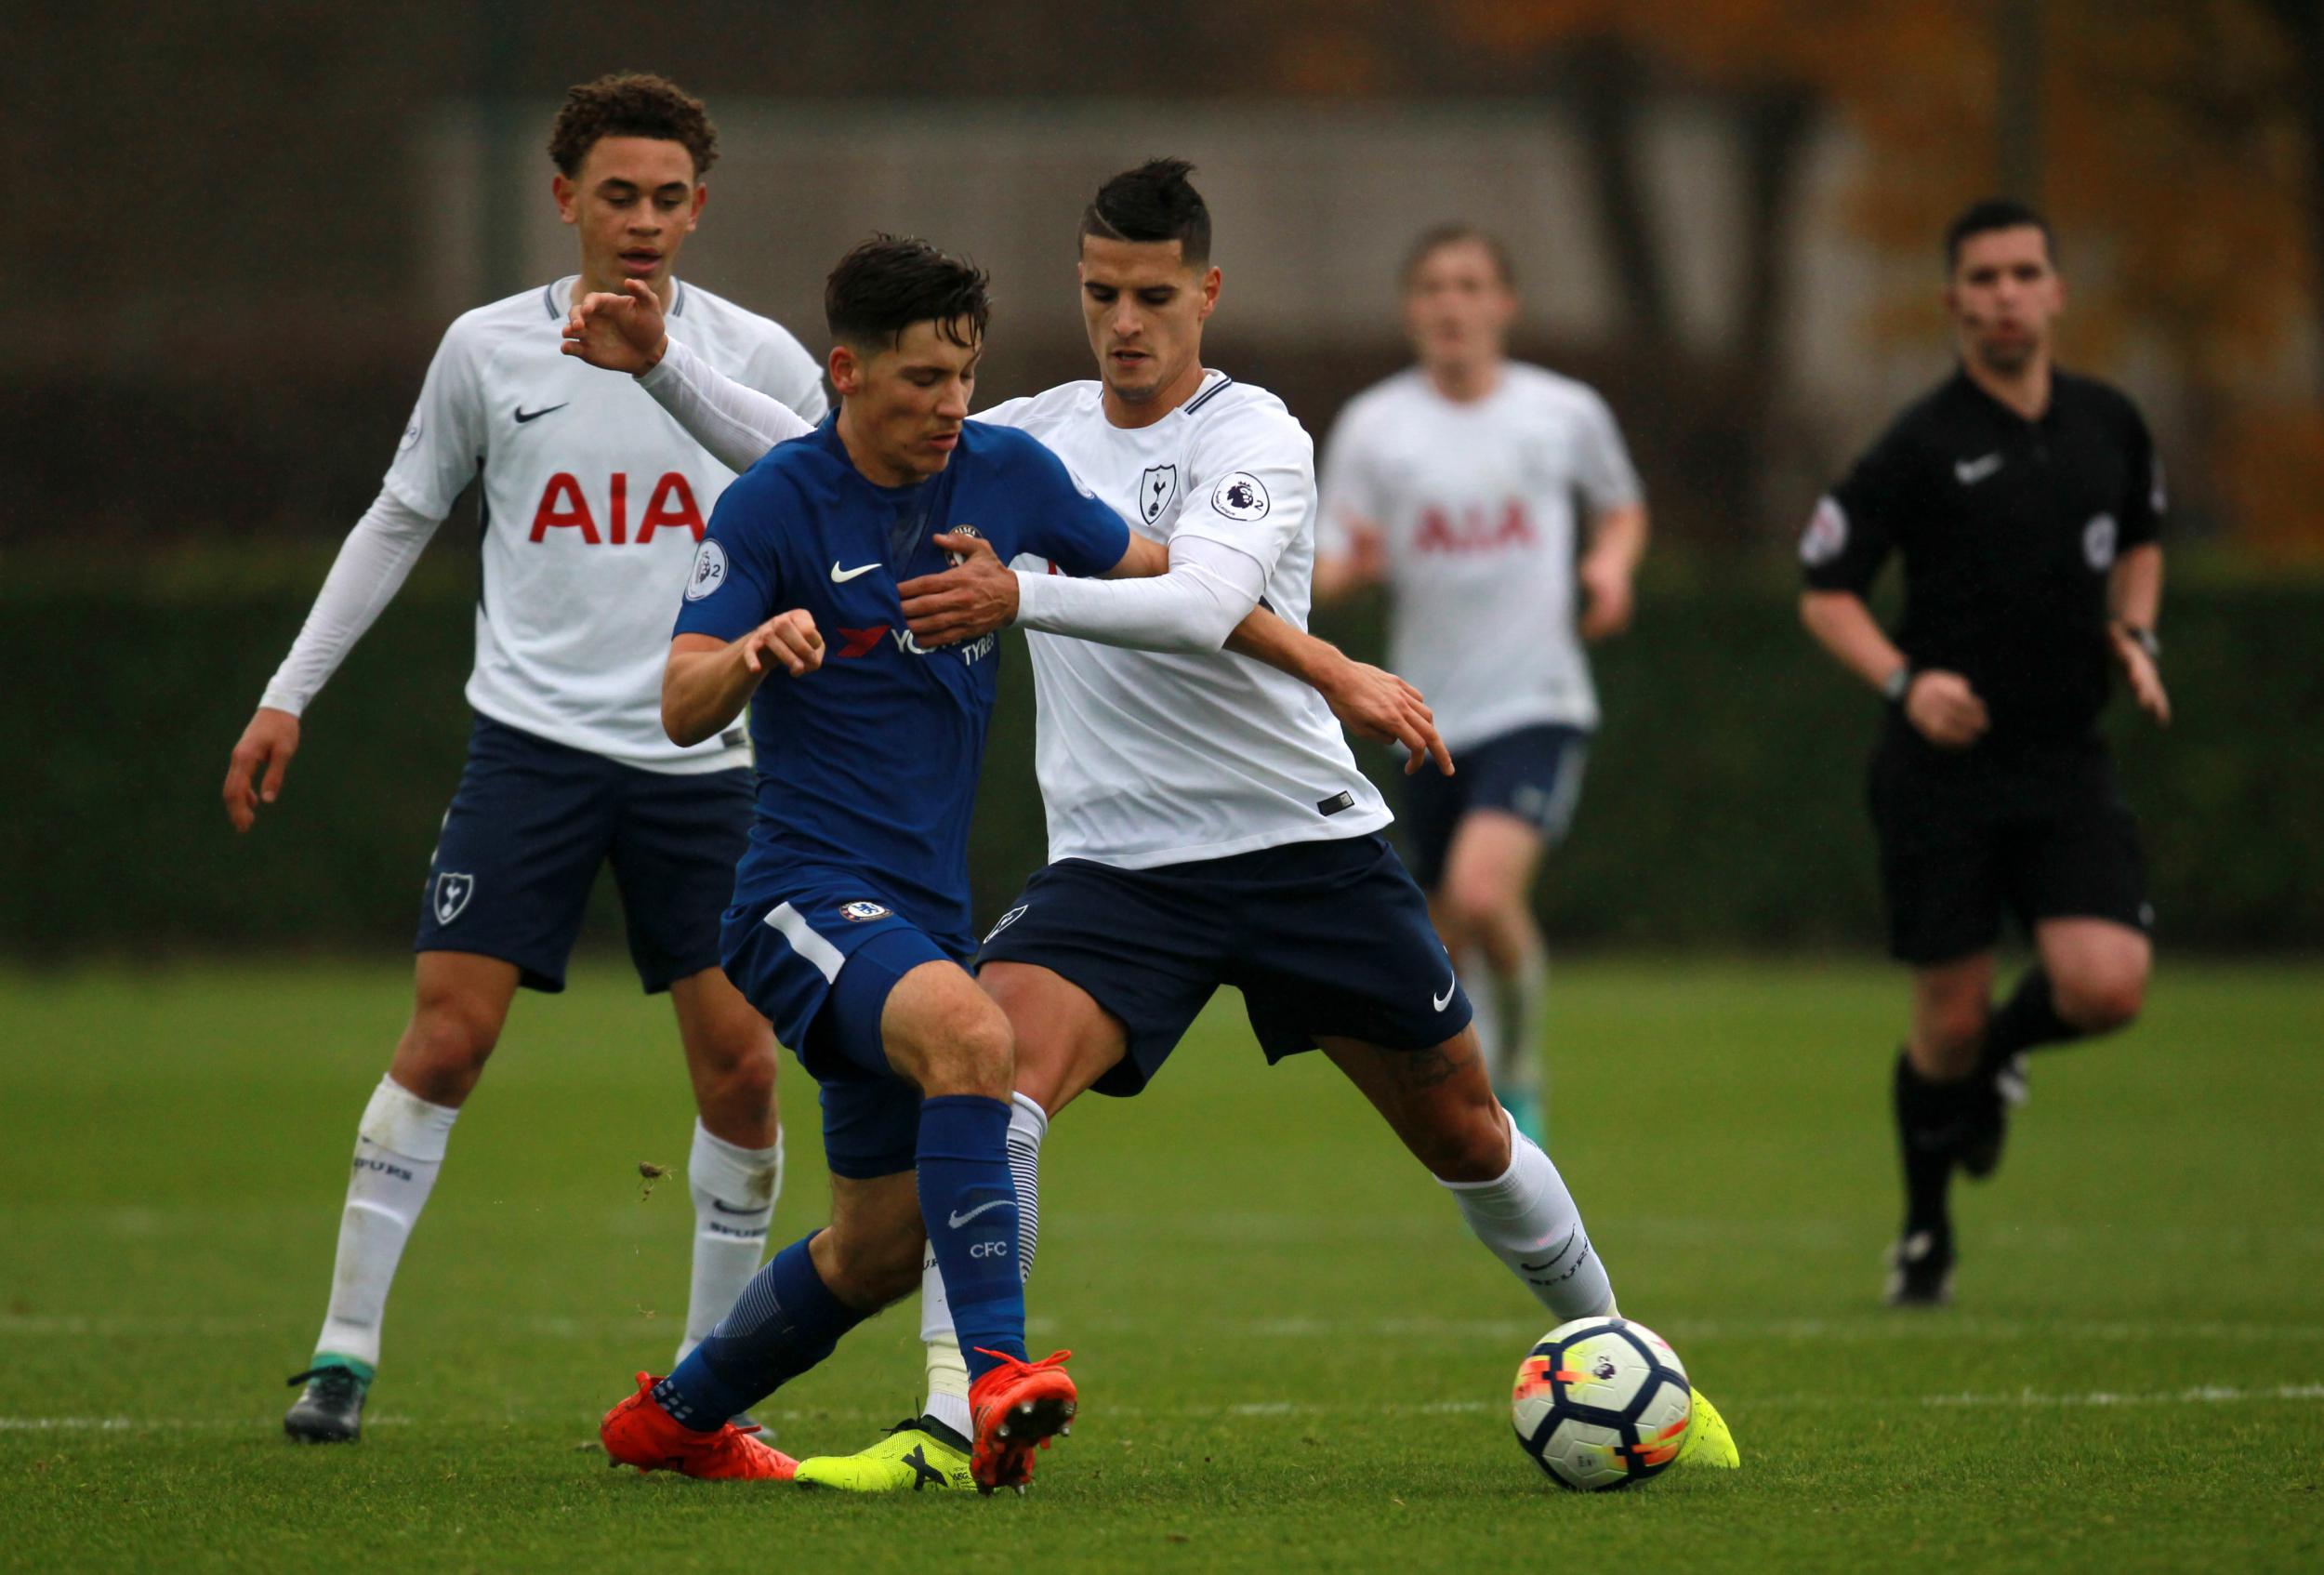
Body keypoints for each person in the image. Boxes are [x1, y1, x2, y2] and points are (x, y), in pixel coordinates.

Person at [566, 161, 1736, 1489]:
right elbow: (824, 447)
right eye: (1100, 292)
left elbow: (1195, 598)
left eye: (1153, 295)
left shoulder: (1259, 435)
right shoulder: (1020, 430)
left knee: (1464, 1126)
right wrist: (663, 367)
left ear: (1208, 294)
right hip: (1118, 865)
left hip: (1303, 843)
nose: (1124, 320)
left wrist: (1077, 608)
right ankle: (966, 1416)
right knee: (989, 1070)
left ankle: (1628, 1352)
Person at [222, 73, 826, 1443]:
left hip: (709, 764)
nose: (644, 222)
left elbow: (842, 482)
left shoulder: (757, 357)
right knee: (449, 1035)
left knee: (742, 1070)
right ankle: (343, 1350)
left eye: (670, 199)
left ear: (699, 211)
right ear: (564, 201)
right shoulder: (487, 351)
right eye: (618, 195)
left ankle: (700, 1386)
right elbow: (396, 520)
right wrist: (285, 694)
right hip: (535, 751)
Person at [597, 233, 1163, 1493]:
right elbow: (679, 700)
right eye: (920, 379)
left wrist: (1230, 579)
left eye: (964, 372)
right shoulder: (775, 506)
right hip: (796, 898)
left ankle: (675, 1417)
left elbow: (1155, 575)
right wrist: (751, 650)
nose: (950, 403)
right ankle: (999, 1379)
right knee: (977, 1038)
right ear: (846, 373)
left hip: (918, 915)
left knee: (876, 1246)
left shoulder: (1008, 474)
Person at [1798, 198, 2170, 1307]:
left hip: (2065, 759)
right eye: (1984, 276)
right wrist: (1906, 682)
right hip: (1940, 775)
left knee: (2106, 985)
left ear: (2055, 291)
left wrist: (2137, 632)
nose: (2005, 293)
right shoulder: (1918, 445)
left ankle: (2010, 1053)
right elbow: (1824, 591)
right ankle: (1923, 1236)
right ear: (1953, 298)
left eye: (2023, 273)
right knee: (1946, 1021)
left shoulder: (2111, 421)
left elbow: (2142, 537)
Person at [1314, 225, 1648, 1144]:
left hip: (1537, 698)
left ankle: (1521, 1071)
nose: (1449, 304)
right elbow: (1325, 560)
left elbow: (1619, 506)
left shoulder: (1561, 411)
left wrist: (1612, 567)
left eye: (1468, 285)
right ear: (1409, 308)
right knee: (1443, 929)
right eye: (1430, 287)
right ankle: (1479, 1095)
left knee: (1484, 892)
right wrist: (1343, 570)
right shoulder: (1375, 426)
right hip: (1425, 716)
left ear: (1504, 303)